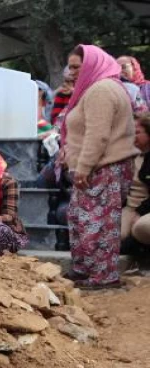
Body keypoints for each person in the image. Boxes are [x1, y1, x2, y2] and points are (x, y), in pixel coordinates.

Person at [64, 44, 137, 289]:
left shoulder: (100, 90)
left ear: (92, 64)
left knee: (98, 223)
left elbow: (98, 135)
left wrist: (83, 167)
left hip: (102, 167)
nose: (71, 72)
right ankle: (84, 270)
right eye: (70, 67)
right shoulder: (100, 87)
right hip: (99, 167)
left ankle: (103, 277)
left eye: (77, 67)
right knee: (81, 218)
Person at [122, 113, 150, 254]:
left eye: (137, 132)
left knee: (142, 228)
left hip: (145, 209)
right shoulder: (130, 155)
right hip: (129, 207)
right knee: (113, 235)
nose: (133, 136)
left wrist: (140, 212)